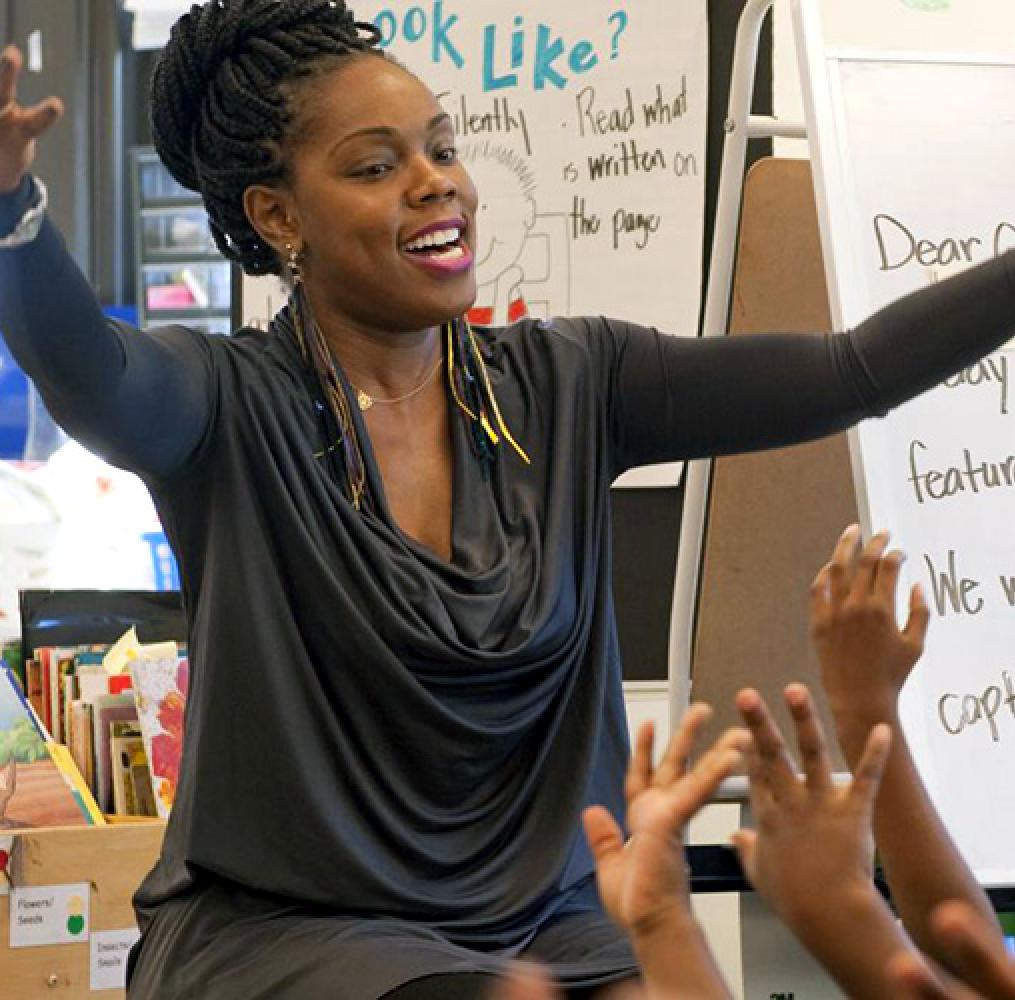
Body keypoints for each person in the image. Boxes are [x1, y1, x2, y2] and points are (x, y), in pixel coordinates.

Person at [2, 0, 1015, 995]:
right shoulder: (224, 403)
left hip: (556, 919)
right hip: (302, 932)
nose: (434, 183)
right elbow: (92, 374)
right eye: (374, 165)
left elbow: (851, 371)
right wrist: (14, 212)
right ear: (276, 215)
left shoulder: (575, 381)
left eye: (441, 149)